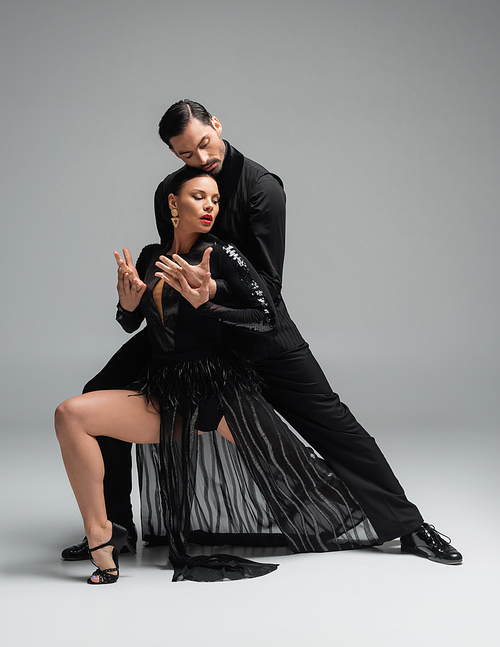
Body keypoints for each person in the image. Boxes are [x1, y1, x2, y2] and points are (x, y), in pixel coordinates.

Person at [61, 99, 461, 566]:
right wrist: (136, 305)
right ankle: (117, 528)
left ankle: (409, 525)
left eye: (204, 144)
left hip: (257, 330)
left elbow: (268, 287)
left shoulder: (261, 188)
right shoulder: (169, 192)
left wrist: (213, 293)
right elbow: (171, 267)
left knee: (334, 424)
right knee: (98, 392)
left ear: (216, 124)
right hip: (194, 333)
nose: (201, 159)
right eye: (186, 155)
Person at [55, 170, 381, 585]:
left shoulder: (224, 254)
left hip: (217, 391)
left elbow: (265, 317)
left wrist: (208, 301)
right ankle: (102, 535)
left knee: (301, 477)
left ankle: (397, 521)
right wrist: (126, 306)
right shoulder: (151, 254)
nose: (210, 206)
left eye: (215, 200)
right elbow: (132, 323)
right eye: (199, 197)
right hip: (164, 391)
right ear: (173, 204)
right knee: (70, 414)